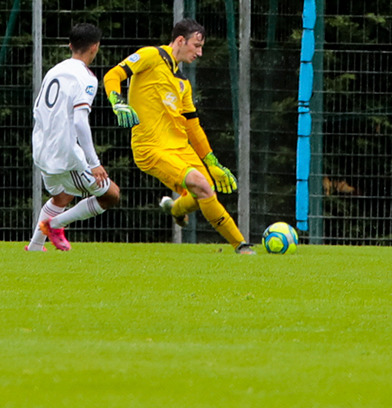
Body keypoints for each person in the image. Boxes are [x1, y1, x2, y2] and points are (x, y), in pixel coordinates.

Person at [102, 18, 253, 255]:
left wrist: (212, 162)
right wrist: (116, 101)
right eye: (197, 45)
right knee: (201, 185)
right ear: (181, 40)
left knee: (206, 188)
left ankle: (175, 209)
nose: (200, 53)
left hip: (180, 147)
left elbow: (193, 127)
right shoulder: (151, 56)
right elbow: (113, 75)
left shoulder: (183, 83)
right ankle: (241, 246)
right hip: (151, 148)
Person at [26, 22, 122, 251]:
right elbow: (79, 120)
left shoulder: (55, 70)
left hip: (41, 148)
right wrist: (94, 163)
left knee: (63, 196)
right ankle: (55, 224)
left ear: (70, 46)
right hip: (66, 153)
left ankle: (35, 247)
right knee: (111, 195)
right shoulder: (86, 77)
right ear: (95, 47)